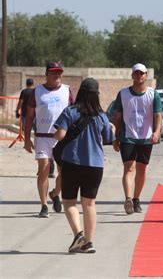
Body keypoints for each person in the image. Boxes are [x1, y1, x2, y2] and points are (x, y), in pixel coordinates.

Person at [54, 78, 114, 254]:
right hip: (95, 165)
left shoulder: (70, 111)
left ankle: (78, 234)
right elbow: (109, 139)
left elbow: (60, 135)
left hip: (72, 162)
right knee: (89, 204)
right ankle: (89, 242)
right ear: (96, 95)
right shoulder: (102, 116)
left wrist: (56, 132)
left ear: (80, 92)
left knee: (69, 202)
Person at [24, 61, 74, 217]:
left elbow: (74, 114)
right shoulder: (37, 92)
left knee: (64, 173)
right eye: (53, 72)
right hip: (42, 137)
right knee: (44, 170)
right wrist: (27, 138)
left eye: (59, 72)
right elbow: (30, 117)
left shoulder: (67, 91)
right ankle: (44, 205)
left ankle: (55, 193)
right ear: (46, 74)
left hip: (63, 138)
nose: (57, 75)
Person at [112, 63, 163, 215]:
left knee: (141, 168)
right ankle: (128, 198)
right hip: (128, 137)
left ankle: (136, 199)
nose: (139, 76)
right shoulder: (123, 94)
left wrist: (157, 132)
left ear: (146, 75)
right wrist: (115, 137)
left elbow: (158, 116)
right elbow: (118, 117)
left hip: (146, 137)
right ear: (132, 75)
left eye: (142, 73)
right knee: (129, 167)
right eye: (136, 73)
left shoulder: (153, 94)